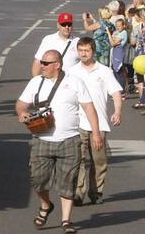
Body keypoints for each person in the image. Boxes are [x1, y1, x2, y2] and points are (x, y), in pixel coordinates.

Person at [17, 49, 103, 234]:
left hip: (69, 140)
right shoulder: (35, 82)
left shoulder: (74, 82)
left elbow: (89, 108)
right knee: (38, 180)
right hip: (41, 139)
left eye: (46, 63)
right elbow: (21, 103)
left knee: (68, 182)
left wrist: (96, 133)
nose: (42, 66)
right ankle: (46, 205)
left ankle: (66, 220)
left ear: (58, 65)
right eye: (41, 62)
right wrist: (22, 112)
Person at [70, 37, 122, 205]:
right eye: (81, 50)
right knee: (78, 160)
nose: (83, 54)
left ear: (93, 51)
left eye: (87, 50)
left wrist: (117, 112)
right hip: (78, 123)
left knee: (98, 161)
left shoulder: (104, 71)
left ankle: (96, 191)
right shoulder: (72, 71)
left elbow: (115, 93)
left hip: (99, 124)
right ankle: (78, 193)